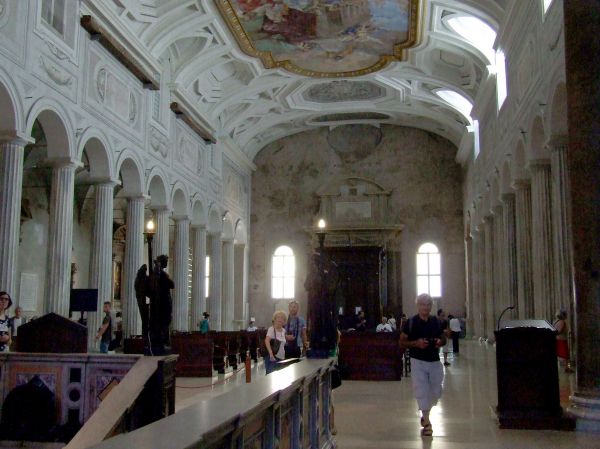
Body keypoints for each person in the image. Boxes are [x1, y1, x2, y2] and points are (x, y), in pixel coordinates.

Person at [400, 293, 447, 437]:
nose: (425, 308)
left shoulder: (436, 322)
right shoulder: (411, 322)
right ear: (418, 306)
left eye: (428, 305)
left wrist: (440, 342)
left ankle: (425, 413)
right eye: (422, 304)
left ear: (431, 306)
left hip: (434, 360)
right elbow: (402, 342)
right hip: (417, 360)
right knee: (421, 390)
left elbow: (444, 337)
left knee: (435, 392)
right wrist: (416, 343)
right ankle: (427, 422)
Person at [265, 310, 287, 374]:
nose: (280, 319)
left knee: (279, 376)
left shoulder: (283, 330)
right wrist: (271, 354)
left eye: (282, 318)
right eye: (278, 317)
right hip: (272, 356)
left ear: (284, 321)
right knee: (270, 375)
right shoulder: (271, 329)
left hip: (281, 357)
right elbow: (266, 341)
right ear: (274, 319)